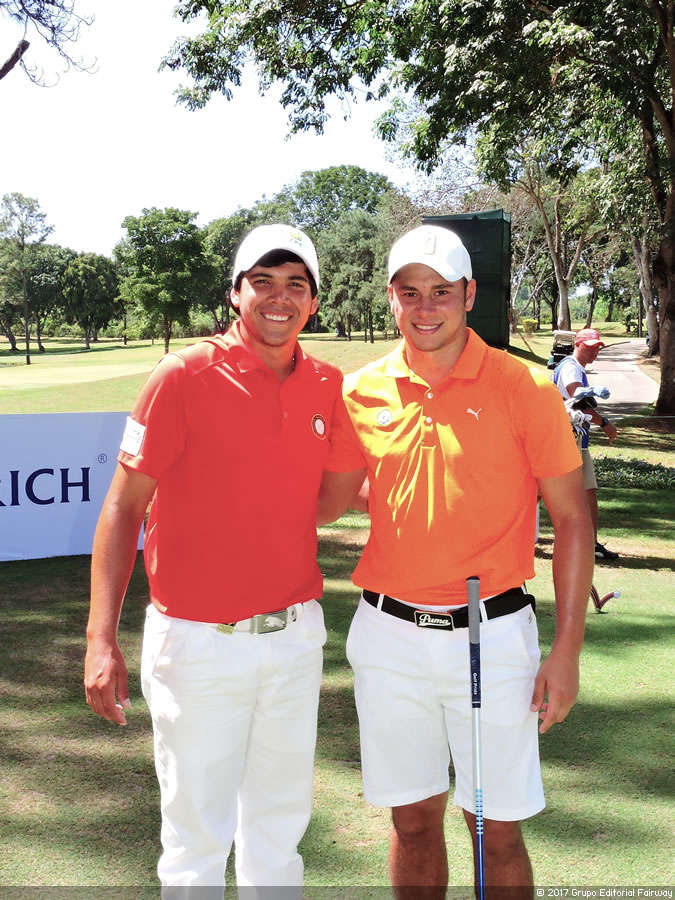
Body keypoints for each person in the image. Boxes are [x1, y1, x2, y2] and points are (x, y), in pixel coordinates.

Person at [317, 225, 594, 897]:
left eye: (441, 291)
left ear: (469, 295)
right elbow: (330, 500)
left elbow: (572, 518)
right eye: (409, 292)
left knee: (494, 830)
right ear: (390, 298)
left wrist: (565, 651)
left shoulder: (524, 387)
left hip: (491, 636)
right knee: (411, 822)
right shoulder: (359, 392)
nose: (425, 307)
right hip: (388, 635)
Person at [84, 224, 343, 897]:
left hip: (294, 640)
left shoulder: (325, 383)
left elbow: (325, 499)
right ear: (235, 293)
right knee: (195, 842)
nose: (279, 297)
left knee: (278, 838)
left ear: (314, 301)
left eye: (295, 284)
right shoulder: (183, 375)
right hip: (198, 646)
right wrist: (100, 639)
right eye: (263, 281)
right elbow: (122, 508)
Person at [553, 328, 620, 560]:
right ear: (578, 345)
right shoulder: (571, 367)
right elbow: (578, 398)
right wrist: (605, 423)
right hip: (568, 438)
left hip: (573, 438)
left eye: (597, 348)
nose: (594, 352)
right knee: (577, 492)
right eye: (590, 347)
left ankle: (591, 543)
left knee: (584, 490)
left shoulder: (575, 367)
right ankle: (590, 544)